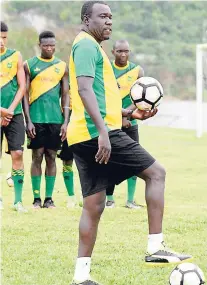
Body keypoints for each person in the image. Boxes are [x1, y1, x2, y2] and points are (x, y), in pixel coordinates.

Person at [67, 2, 191, 284]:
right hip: (95, 132)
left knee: (94, 204)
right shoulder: (86, 45)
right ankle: (155, 247)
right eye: (102, 16)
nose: (109, 21)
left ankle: (81, 277)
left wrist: (127, 113)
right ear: (87, 19)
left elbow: (98, 96)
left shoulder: (92, 47)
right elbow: (84, 90)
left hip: (84, 134)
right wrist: (102, 132)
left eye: (111, 17)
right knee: (156, 173)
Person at [23, 31, 70, 209]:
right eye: (45, 46)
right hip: (36, 119)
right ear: (39, 45)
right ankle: (36, 199)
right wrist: (28, 120)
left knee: (51, 157)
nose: (49, 48)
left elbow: (66, 95)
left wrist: (65, 122)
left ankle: (49, 199)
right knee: (37, 156)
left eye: (52, 46)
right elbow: (24, 95)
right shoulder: (30, 65)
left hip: (55, 120)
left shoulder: (62, 66)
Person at [106, 39, 144, 209]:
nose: (123, 54)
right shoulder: (106, 69)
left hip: (131, 122)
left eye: (126, 51)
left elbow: (141, 98)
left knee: (134, 159)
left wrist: (127, 116)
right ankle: (109, 199)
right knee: (108, 159)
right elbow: (104, 97)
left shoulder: (137, 71)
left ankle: (130, 200)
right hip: (111, 121)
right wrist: (119, 116)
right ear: (113, 52)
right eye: (120, 51)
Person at [0, 21, 27, 213]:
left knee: (18, 153)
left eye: (4, 37)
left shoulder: (15, 56)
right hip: (3, 112)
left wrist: (9, 110)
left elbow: (22, 86)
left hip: (14, 114)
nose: (2, 42)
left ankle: (18, 201)